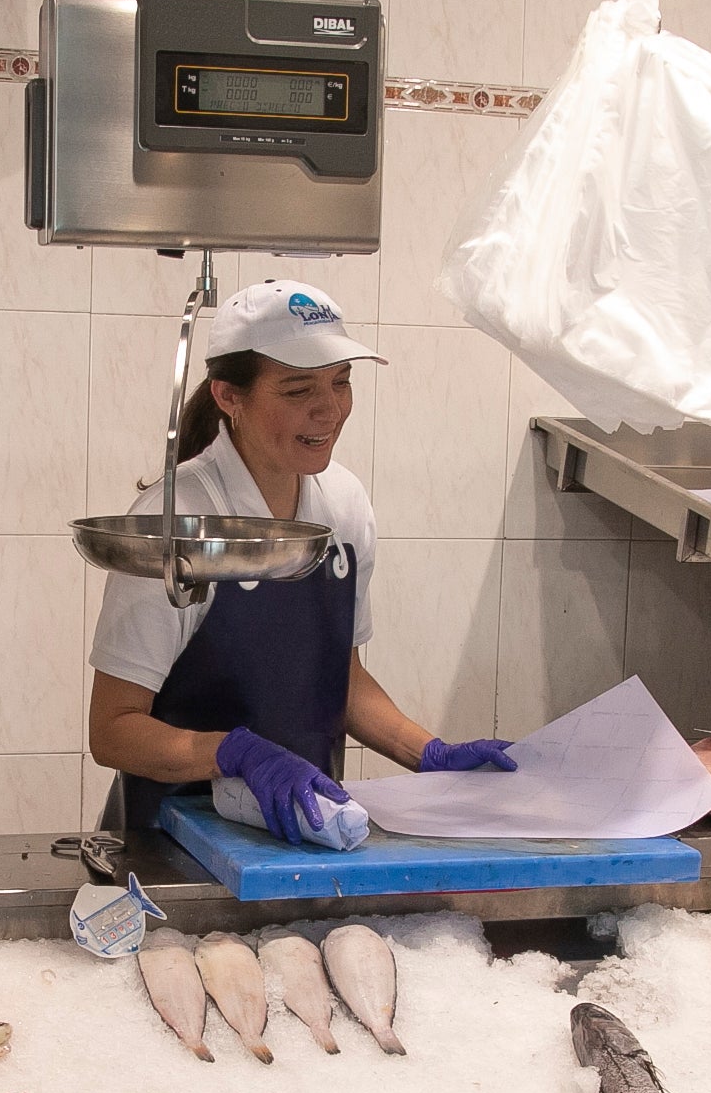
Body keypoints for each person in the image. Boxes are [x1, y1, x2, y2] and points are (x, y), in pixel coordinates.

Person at [87, 280, 515, 843]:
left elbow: (341, 677)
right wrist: (231, 752)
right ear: (228, 396)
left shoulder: (343, 504)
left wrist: (427, 752)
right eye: (297, 390)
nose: (329, 409)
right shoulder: (181, 521)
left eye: (341, 383)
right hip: (171, 852)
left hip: (303, 837)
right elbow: (113, 731)